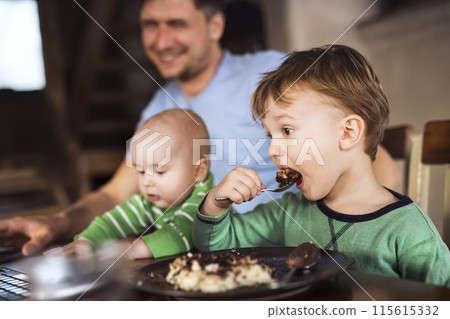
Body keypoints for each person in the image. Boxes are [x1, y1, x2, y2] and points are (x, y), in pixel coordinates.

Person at [0, 0, 399, 256]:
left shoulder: (271, 77)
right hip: (208, 250)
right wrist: (58, 223)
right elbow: (116, 192)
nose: (161, 39)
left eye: (176, 23)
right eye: (150, 25)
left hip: (292, 248)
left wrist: (380, 234)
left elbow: (368, 154)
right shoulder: (159, 107)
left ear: (214, 26)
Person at [192, 45, 450, 287]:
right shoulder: (288, 213)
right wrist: (217, 202)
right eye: (271, 136)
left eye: (287, 130)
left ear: (348, 132)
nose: (272, 149)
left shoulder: (408, 230)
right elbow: (217, 246)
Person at [47, 109, 212, 259]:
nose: (147, 182)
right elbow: (115, 220)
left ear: (198, 171)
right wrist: (87, 242)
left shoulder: (206, 202)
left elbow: (181, 233)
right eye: (141, 172)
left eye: (160, 172)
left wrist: (133, 249)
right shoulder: (150, 201)